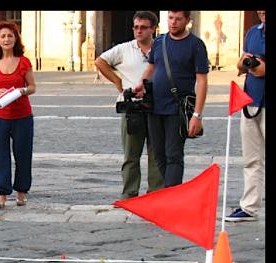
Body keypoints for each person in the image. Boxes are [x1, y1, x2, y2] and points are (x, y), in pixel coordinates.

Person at [132, 11, 208, 187]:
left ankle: (172, 197)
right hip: (154, 106)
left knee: (173, 155)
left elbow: (202, 81)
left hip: (177, 108)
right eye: (171, 18)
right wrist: (141, 84)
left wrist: (197, 115)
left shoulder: (195, 45)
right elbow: (151, 68)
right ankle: (170, 193)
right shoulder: (159, 41)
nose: (173, 23)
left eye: (178, 19)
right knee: (158, 154)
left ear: (188, 20)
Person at [94, 11, 164, 200]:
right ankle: (129, 193)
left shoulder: (162, 48)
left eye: (143, 27)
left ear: (153, 29)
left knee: (156, 153)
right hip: (132, 107)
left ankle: (156, 193)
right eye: (136, 27)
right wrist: (117, 82)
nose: (138, 31)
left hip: (157, 106)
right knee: (131, 154)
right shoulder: (124, 49)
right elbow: (100, 61)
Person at [0, 21, 36, 208]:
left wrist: (21, 91)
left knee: (23, 154)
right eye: (3, 36)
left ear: (16, 39)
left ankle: (22, 191)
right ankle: (1, 194)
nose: (7, 39)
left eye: (10, 36)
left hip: (22, 116)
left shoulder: (24, 62)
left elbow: (32, 87)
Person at [226, 10, 266, 222]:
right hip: (250, 102)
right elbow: (241, 65)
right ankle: (249, 206)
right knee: (252, 159)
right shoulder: (252, 32)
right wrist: (244, 64)